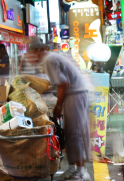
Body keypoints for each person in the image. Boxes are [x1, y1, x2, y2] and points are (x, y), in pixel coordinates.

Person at [28, 37, 91, 181]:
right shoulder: (50, 59)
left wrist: (58, 106)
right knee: (69, 133)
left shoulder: (48, 60)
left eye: (31, 53)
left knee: (74, 133)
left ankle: (81, 172)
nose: (30, 57)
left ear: (37, 51)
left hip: (75, 95)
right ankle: (73, 168)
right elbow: (57, 84)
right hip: (73, 95)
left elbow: (63, 84)